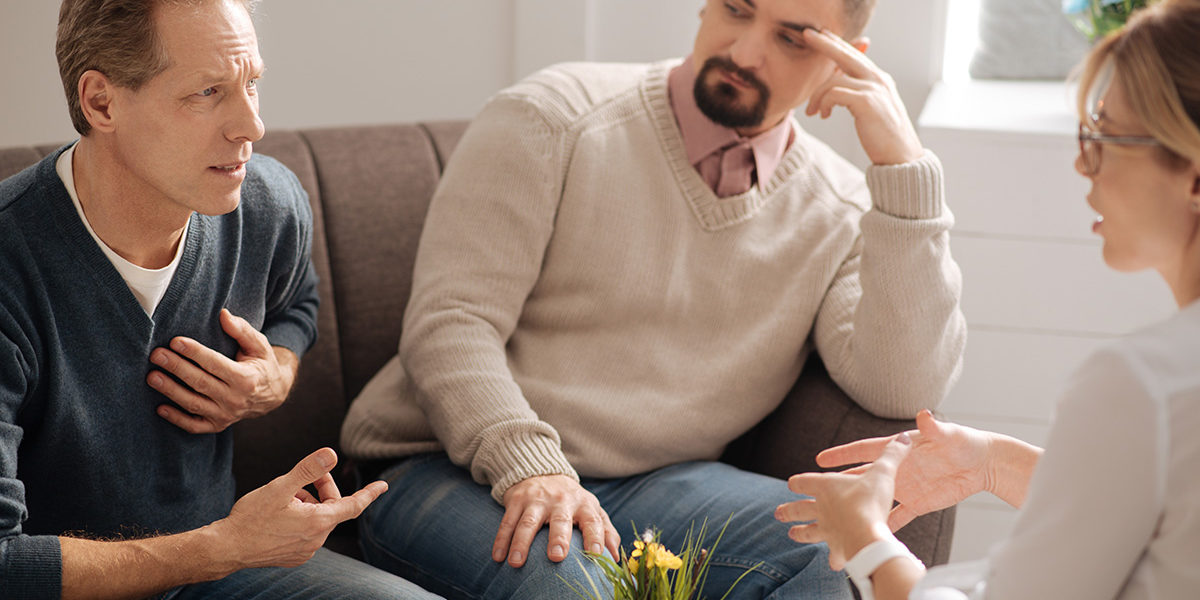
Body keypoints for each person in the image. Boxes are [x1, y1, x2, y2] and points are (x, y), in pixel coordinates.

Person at [341, 0, 967, 597]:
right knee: (573, 584)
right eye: (736, 10)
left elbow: (898, 387)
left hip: (658, 484)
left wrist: (904, 171)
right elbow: (451, 323)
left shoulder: (843, 209)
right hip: (440, 466)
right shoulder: (551, 116)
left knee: (830, 555)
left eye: (790, 37)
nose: (745, 51)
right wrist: (534, 468)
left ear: (845, 61)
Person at [0, 1, 441, 598]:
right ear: (101, 102)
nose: (252, 127)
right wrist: (225, 546)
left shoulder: (266, 206)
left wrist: (273, 377)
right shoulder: (11, 264)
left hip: (220, 568)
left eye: (251, 84)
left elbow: (297, 306)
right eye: (207, 91)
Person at [774, 1, 1200, 598]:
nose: (1083, 162)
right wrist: (995, 462)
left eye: (1104, 133)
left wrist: (866, 540)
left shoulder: (1141, 385)